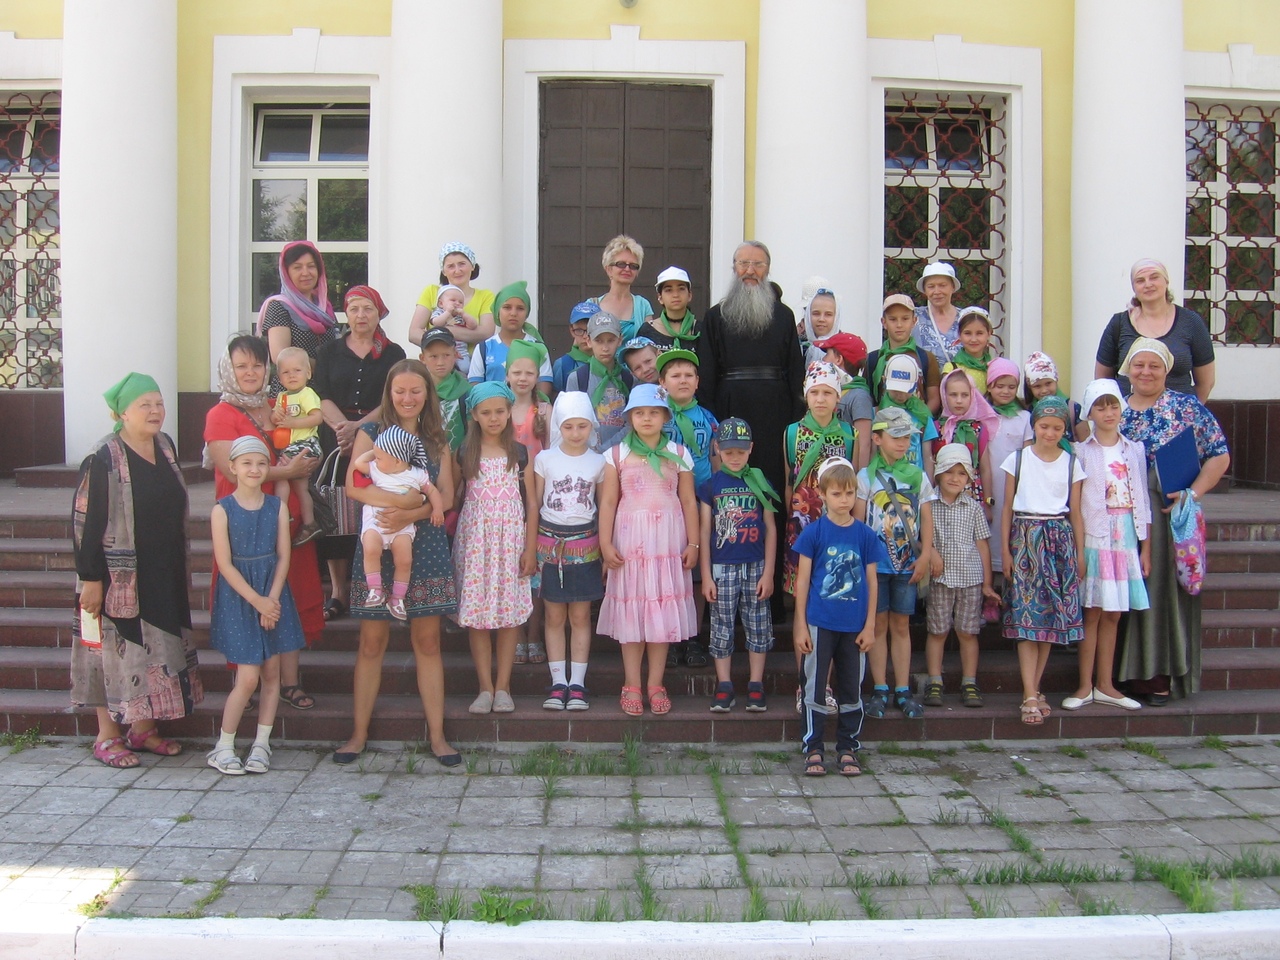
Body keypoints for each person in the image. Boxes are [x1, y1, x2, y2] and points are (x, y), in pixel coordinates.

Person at [72, 373, 202, 768]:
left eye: (158, 403)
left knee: (155, 648)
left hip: (161, 568)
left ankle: (143, 729)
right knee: (111, 651)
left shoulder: (165, 446)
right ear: (122, 413)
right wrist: (91, 579)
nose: (155, 411)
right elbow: (85, 522)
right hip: (114, 576)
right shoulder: (103, 457)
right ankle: (107, 736)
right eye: (144, 404)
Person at [333, 359, 460, 766]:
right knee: (371, 643)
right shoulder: (371, 433)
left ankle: (438, 737)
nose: (408, 398)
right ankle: (357, 734)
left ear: (427, 394)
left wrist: (413, 512)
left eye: (415, 390)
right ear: (389, 394)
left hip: (426, 545)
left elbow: (447, 496)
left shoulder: (437, 439)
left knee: (428, 642)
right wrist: (400, 502)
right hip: (376, 544)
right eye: (400, 390)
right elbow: (354, 487)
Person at [204, 336, 324, 711]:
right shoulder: (220, 414)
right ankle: (247, 681)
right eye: (242, 366)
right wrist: (287, 470)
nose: (250, 372)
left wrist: (306, 461)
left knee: (290, 593)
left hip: (285, 518)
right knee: (245, 596)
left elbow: (306, 440)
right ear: (229, 370)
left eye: (257, 365)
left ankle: (289, 682)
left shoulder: (277, 405)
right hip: (244, 521)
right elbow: (230, 469)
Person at [1117, 338, 1230, 704]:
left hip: (1165, 514)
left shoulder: (1187, 407)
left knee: (1160, 592)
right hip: (1119, 516)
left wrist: (1192, 494)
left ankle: (1155, 676)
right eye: (1139, 365)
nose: (1146, 372)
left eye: (1154, 366)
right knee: (1119, 591)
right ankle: (1117, 674)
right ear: (1127, 369)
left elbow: (1219, 455)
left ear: (1167, 370)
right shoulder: (1115, 408)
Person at [597, 383, 699, 716]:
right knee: (633, 615)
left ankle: (655, 683)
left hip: (667, 544)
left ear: (665, 416)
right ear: (629, 417)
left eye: (654, 412)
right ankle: (631, 683)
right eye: (639, 413)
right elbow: (609, 501)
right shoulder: (616, 455)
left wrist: (693, 542)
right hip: (630, 545)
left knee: (660, 616)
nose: (646, 418)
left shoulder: (679, 453)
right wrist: (605, 542)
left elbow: (688, 501)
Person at [206, 436, 306, 775]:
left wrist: (272, 599)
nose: (254, 469)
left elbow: (283, 556)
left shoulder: (277, 507)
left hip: (272, 593)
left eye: (261, 463)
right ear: (233, 467)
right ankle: (223, 746)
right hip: (241, 597)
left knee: (272, 672)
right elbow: (225, 564)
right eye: (247, 463)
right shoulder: (222, 510)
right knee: (248, 677)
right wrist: (257, 601)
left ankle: (262, 743)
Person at [312, 285, 407, 621]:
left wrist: (359, 430)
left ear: (379, 313)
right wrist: (344, 429)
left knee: (371, 508)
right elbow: (320, 394)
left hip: (377, 436)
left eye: (368, 309)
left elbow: (393, 397)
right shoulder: (329, 351)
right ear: (346, 314)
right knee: (335, 513)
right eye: (354, 309)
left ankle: (373, 586)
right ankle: (338, 591)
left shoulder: (393, 353)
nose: (361, 315)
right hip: (335, 437)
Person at [792, 457, 885, 778]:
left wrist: (870, 626)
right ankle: (813, 747)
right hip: (820, 622)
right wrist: (801, 625)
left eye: (849, 493)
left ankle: (847, 747)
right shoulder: (813, 533)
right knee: (814, 687)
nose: (844, 500)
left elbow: (872, 582)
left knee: (851, 688)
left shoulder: (865, 535)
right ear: (822, 494)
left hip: (854, 626)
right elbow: (803, 581)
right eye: (836, 494)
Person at [1064, 379, 1151, 713]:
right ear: (1090, 413)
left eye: (1113, 405)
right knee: (1093, 611)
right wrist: (1078, 548)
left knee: (1114, 613)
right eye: (1100, 407)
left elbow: (1142, 498)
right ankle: (1084, 685)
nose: (1108, 412)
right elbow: (1075, 504)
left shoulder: (1134, 450)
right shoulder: (1081, 451)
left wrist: (1145, 548)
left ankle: (1106, 684)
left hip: (1125, 536)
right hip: (1095, 535)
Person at [1000, 396, 1087, 725]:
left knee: (1049, 620)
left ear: (1065, 430)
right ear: (1034, 425)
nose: (1050, 433)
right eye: (1044, 426)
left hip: (1058, 541)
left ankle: (1034, 690)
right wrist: (1005, 551)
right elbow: (1007, 508)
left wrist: (1080, 553)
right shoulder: (1018, 459)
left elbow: (1075, 512)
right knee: (1027, 619)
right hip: (1025, 539)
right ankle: (1029, 692)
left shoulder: (1071, 463)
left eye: (1057, 428)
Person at [696, 241, 805, 499]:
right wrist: (712, 419)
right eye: (743, 263)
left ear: (768, 269)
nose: (750, 270)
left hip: (775, 411)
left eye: (758, 264)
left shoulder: (784, 315)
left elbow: (794, 369)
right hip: (730, 407)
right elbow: (707, 372)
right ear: (734, 268)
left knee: (773, 479)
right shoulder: (715, 317)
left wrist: (796, 417)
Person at [454, 382, 538, 714]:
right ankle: (484, 688)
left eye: (500, 411)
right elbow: (453, 497)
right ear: (474, 415)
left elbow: (532, 504)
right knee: (476, 617)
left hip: (511, 543)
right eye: (486, 412)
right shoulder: (464, 452)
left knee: (509, 615)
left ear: (509, 412)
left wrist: (530, 548)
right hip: (476, 544)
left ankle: (504, 686)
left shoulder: (519, 453)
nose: (493, 418)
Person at [856, 407, 936, 720]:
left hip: (907, 565)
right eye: (896, 436)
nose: (903, 443)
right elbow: (859, 523)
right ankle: (880, 688)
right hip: (875, 567)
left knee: (902, 625)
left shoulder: (918, 476)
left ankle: (903, 689)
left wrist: (925, 555)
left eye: (907, 437)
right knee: (877, 624)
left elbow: (926, 518)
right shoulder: (865, 477)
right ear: (877, 439)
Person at [699, 418, 778, 712]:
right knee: (721, 624)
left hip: (755, 565)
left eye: (740, 452)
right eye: (729, 451)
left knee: (758, 623)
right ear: (718, 448)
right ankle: (725, 684)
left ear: (751, 449)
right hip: (723, 567)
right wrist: (706, 575)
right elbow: (705, 532)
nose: (734, 457)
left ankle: (756, 683)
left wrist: (769, 572)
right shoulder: (711, 486)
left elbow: (770, 529)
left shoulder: (760, 482)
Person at [535, 392, 606, 711]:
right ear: (558, 427)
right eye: (568, 426)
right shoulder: (544, 459)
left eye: (582, 426)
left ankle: (577, 683)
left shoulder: (599, 462)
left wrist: (605, 549)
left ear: (591, 425)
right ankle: (557, 683)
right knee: (553, 615)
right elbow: (535, 505)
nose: (576, 433)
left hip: (585, 546)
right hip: (550, 546)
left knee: (579, 615)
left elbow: (603, 507)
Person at [923, 444, 998, 709]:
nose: (955, 478)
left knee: (968, 631)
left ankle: (969, 682)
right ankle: (934, 680)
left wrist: (987, 583)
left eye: (961, 473)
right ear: (938, 473)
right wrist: (931, 552)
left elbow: (982, 545)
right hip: (940, 579)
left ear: (969, 477)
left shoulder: (974, 508)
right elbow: (921, 537)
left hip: (969, 579)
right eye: (949, 472)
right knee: (938, 630)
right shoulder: (928, 504)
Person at [658, 347, 719, 668]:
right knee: (667, 570)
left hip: (700, 502)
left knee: (695, 570)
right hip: (665, 504)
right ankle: (668, 637)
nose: (682, 380)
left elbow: (716, 458)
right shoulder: (656, 415)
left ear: (697, 381)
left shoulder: (708, 418)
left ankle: (693, 635)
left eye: (688, 375)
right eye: (675, 375)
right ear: (662, 382)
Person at [353, 426, 445, 620]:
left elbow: (432, 491)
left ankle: (397, 599)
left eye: (380, 457)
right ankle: (375, 589)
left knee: (404, 560)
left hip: (402, 526)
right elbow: (358, 463)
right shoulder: (376, 468)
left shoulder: (417, 474)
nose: (376, 460)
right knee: (371, 549)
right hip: (376, 521)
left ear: (397, 459)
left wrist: (437, 509)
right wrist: (376, 451)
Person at [1095, 258, 1216, 401]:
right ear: (1134, 288)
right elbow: (1102, 381)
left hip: (1178, 412)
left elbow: (1206, 383)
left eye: (1154, 277)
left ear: (1166, 281)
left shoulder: (1191, 322)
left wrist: (1190, 410)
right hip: (1127, 412)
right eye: (1140, 280)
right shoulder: (1119, 324)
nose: (1148, 284)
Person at [784, 362, 855, 602]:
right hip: (802, 521)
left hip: (836, 518)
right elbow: (789, 480)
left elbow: (852, 480)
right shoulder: (792, 432)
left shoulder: (849, 434)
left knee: (833, 580)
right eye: (814, 392)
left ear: (838, 397)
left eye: (827, 392)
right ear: (806, 395)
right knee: (803, 584)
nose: (821, 399)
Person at [506, 340, 551, 665]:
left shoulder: (544, 411)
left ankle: (534, 635)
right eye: (517, 372)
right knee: (512, 568)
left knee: (534, 571)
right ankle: (517, 636)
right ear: (507, 373)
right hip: (506, 495)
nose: (522, 378)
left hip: (538, 493)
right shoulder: (500, 407)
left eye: (529, 373)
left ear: (538, 376)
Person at [257, 240, 342, 395]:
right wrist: (324, 367)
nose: (306, 273)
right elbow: (280, 356)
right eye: (297, 267)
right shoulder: (278, 306)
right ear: (286, 273)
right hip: (293, 395)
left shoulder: (325, 307)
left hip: (325, 393)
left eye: (311, 266)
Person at [269, 346, 325, 546]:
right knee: (301, 486)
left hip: (306, 443)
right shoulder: (282, 397)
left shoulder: (307, 393)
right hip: (290, 445)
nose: (292, 375)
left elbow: (317, 417)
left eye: (297, 370)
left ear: (308, 373)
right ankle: (309, 523)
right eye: (286, 372)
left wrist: (294, 423)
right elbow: (275, 418)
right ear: (279, 377)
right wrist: (275, 416)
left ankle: (282, 514)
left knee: (281, 473)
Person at [984, 357, 1031, 578]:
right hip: (988, 487)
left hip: (1015, 486)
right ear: (989, 386)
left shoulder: (1025, 418)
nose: (1005, 391)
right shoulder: (982, 415)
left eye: (1011, 387)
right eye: (999, 386)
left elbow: (1028, 455)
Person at [408, 241, 496, 358]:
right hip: (437, 363)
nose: (457, 270)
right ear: (443, 271)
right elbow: (414, 333)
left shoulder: (485, 296)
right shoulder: (431, 292)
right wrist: (444, 351)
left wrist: (442, 331)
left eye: (462, 264)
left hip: (473, 364)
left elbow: (486, 333)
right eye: (451, 266)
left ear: (472, 266)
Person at [934, 368, 997, 520]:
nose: (959, 400)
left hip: (972, 494)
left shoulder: (979, 429)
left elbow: (985, 468)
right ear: (944, 396)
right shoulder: (936, 427)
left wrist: (988, 502)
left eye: (964, 395)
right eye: (953, 395)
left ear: (972, 396)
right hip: (942, 493)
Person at [566, 312, 634, 451]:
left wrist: (608, 449)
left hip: (621, 452)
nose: (605, 348)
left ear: (620, 340)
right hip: (586, 453)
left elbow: (631, 423)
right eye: (599, 341)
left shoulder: (629, 379)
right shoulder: (578, 378)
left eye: (611, 340)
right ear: (588, 340)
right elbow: (570, 419)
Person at [867, 294, 942, 414]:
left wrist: (921, 419)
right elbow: (868, 398)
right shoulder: (874, 359)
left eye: (905, 319)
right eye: (893, 319)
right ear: (884, 322)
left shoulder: (926, 358)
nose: (899, 325)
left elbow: (934, 398)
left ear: (914, 321)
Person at [468, 281, 553, 386]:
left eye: (520, 308)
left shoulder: (538, 348)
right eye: (507, 307)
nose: (513, 313)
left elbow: (544, 386)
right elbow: (475, 387)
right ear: (497, 312)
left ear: (527, 313)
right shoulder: (484, 348)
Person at [812, 332, 873, 470]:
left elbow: (864, 444)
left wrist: (860, 477)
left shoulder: (859, 396)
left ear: (839, 359)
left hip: (846, 472)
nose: (823, 359)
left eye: (827, 354)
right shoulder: (827, 390)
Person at [879, 354, 938, 477]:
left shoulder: (922, 414)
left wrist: (928, 484)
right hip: (885, 479)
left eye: (906, 390)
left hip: (915, 479)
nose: (901, 395)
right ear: (884, 380)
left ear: (916, 384)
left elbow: (927, 455)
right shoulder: (877, 412)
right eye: (896, 390)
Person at [589, 235, 655, 342]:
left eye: (633, 266)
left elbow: (649, 345)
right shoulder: (591, 305)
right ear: (608, 269)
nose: (627, 269)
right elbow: (579, 346)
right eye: (621, 264)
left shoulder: (643, 306)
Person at [418, 326, 471, 453]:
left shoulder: (467, 392)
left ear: (455, 354)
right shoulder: (417, 392)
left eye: (446, 355)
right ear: (422, 358)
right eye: (433, 356)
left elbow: (472, 433)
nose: (440, 362)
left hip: (458, 460)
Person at [1023, 351, 1087, 442]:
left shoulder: (1073, 409)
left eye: (1048, 383)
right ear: (1030, 387)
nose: (1044, 390)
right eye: (1037, 386)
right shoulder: (1028, 412)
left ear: (1056, 380)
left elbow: (1086, 443)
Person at [911, 261, 965, 365]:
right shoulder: (914, 317)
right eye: (931, 286)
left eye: (942, 285)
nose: (937, 291)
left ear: (952, 287)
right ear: (925, 290)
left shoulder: (966, 317)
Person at [637, 266, 699, 350]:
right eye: (669, 290)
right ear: (660, 297)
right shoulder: (648, 330)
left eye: (681, 289)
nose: (675, 295)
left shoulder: (701, 329)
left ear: (689, 295)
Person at [941, 306, 997, 395]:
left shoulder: (994, 368)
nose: (973, 339)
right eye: (967, 333)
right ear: (959, 335)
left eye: (979, 333)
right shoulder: (952, 369)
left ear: (989, 334)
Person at [552, 301, 595, 393]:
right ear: (572, 330)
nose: (585, 336)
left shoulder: (611, 362)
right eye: (579, 330)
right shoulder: (563, 365)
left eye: (590, 330)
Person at [799, 287, 840, 365]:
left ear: (836, 317)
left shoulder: (843, 351)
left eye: (828, 314)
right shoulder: (799, 348)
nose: (821, 319)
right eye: (816, 313)